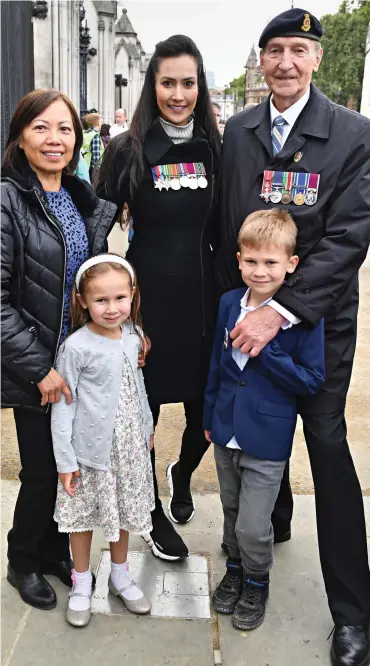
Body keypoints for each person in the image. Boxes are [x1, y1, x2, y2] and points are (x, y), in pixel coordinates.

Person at [215, 8, 370, 665]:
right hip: (243, 325)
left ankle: (354, 614)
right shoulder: (240, 131)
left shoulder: (352, 133)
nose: (285, 62)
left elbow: (346, 240)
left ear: (315, 58)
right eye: (274, 50)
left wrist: (277, 313)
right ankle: (256, 549)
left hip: (314, 329)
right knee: (248, 434)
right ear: (262, 59)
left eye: (298, 50)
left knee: (328, 452)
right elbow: (225, 229)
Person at [97, 34, 221, 561]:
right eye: (167, 82)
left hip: (206, 304)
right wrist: (109, 310)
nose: (178, 93)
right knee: (140, 420)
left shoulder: (218, 146)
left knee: (209, 417)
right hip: (147, 311)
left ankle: (182, 472)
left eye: (187, 83)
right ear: (153, 85)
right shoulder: (128, 149)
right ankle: (149, 514)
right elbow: (97, 230)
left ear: (200, 86)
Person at [1, 89, 117, 610]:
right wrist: (39, 368)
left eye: (65, 129)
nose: (55, 139)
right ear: (21, 136)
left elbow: (95, 280)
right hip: (34, 365)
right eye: (41, 128)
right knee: (43, 470)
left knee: (70, 466)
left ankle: (52, 550)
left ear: (77, 138)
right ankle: (22, 560)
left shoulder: (78, 197)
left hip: (77, 362)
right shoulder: (8, 200)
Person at [204, 209, 324, 631]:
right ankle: (235, 568)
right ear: (238, 259)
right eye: (251, 261)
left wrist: (266, 350)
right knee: (231, 507)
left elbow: (311, 379)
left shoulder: (299, 318)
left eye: (271, 262)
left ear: (291, 264)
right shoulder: (227, 303)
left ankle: (258, 578)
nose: (260, 271)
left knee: (256, 524)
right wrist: (208, 416)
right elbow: (218, 366)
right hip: (224, 429)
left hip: (267, 436)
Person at [51, 254, 154, 627]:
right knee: (82, 517)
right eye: (100, 300)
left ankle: (120, 575)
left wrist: (146, 427)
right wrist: (66, 459)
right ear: (82, 300)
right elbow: (64, 406)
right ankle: (81, 582)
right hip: (89, 452)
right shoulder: (76, 347)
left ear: (132, 295)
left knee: (123, 511)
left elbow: (137, 387)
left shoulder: (133, 336)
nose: (112, 309)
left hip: (128, 448)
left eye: (119, 298)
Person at [81, 112, 104, 181]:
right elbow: (96, 158)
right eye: (101, 122)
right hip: (92, 170)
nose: (101, 124)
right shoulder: (95, 136)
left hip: (84, 167)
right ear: (96, 123)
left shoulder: (84, 134)